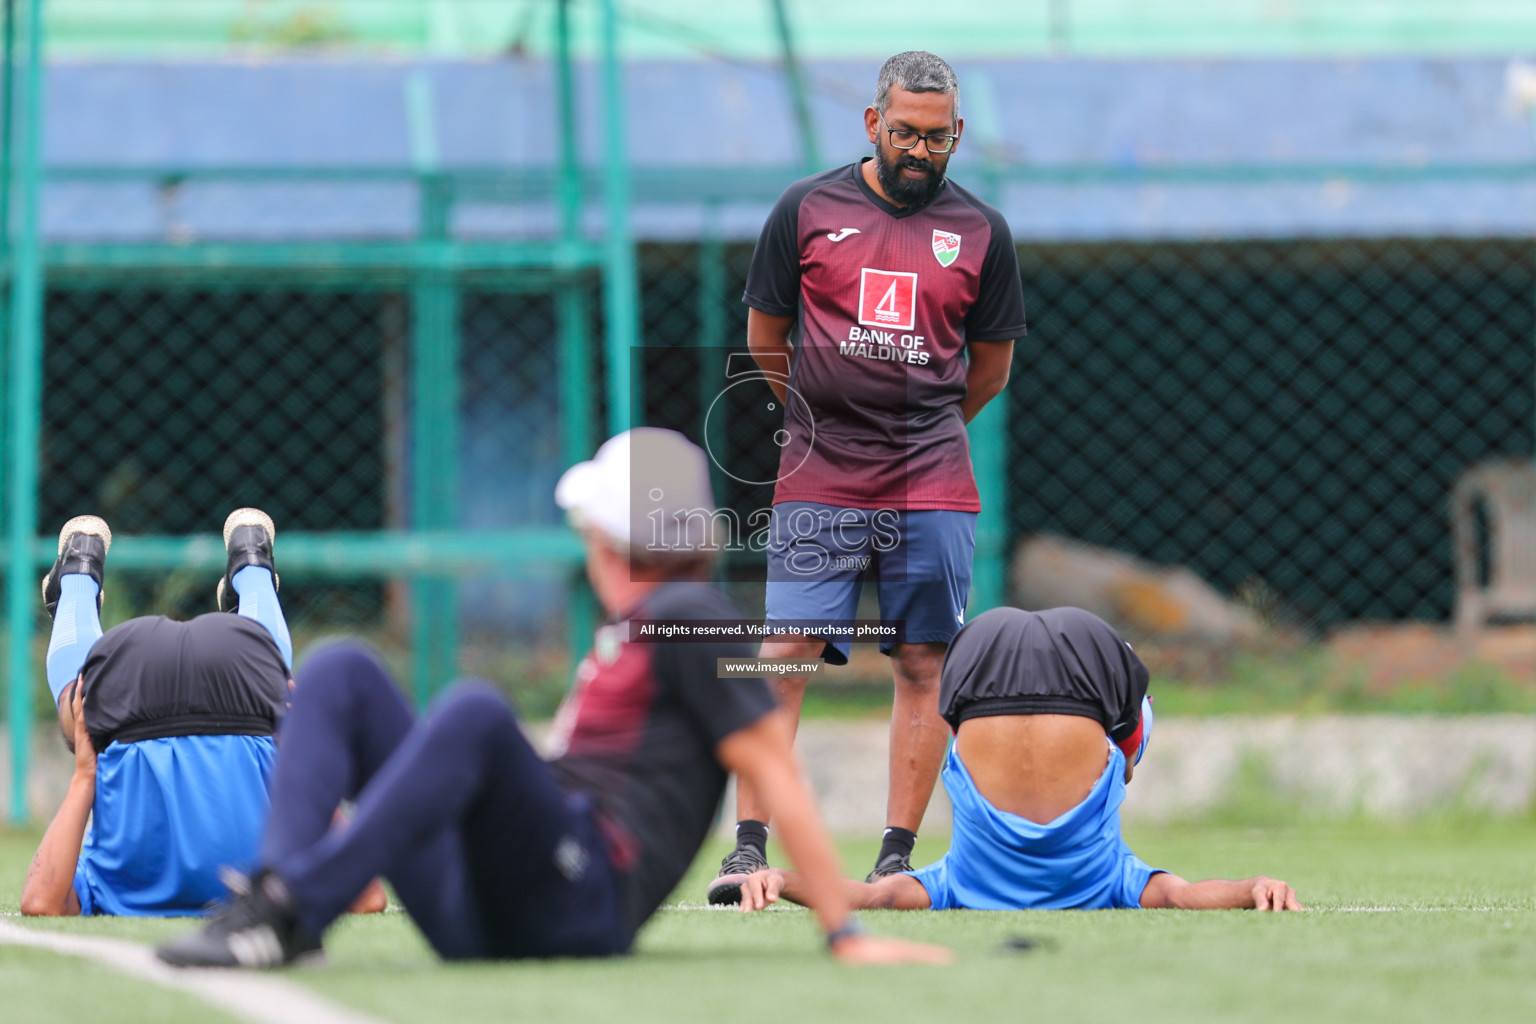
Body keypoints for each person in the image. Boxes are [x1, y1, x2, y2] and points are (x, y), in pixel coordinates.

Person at [156, 429, 950, 968]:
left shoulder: (690, 618)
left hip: (581, 898)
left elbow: (774, 767)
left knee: (473, 711)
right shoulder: (639, 625)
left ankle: (295, 910)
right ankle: (269, 901)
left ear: (613, 542)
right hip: (503, 901)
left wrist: (842, 931)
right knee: (341, 670)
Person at [710, 49, 1027, 900]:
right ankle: (747, 844)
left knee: (924, 660)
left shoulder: (985, 232)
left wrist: (924, 429)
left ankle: (895, 854)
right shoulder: (806, 208)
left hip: (932, 477)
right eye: (904, 133)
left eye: (937, 138)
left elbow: (989, 368)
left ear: (957, 133)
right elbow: (764, 341)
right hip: (821, 471)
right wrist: (826, 421)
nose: (919, 151)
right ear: (871, 125)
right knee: (783, 653)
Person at [733, 607, 1304, 914]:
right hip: (980, 668)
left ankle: (1121, 748)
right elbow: (872, 893)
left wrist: (1253, 886)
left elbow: (1184, 894)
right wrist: (780, 878)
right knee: (943, 722)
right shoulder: (955, 887)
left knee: (1133, 727)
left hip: (1086, 671)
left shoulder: (1113, 884)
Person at [21, 508, 318, 916]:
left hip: (223, 660)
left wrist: (85, 776)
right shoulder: (278, 882)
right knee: (78, 706)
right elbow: (42, 903)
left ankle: (253, 564)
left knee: (81, 718)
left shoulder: (274, 881)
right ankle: (78, 569)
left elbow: (41, 901)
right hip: (164, 678)